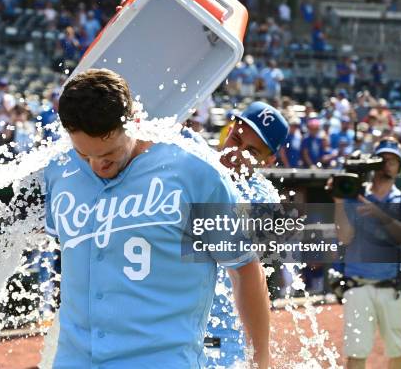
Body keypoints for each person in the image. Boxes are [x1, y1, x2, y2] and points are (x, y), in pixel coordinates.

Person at [43, 69, 270, 367]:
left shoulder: (193, 173)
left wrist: (261, 360)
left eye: (109, 153)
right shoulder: (59, 168)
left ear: (135, 120)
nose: (98, 165)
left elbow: (244, 269)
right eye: (85, 154)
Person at [207, 102, 288, 367]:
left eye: (251, 151)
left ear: (269, 161)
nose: (237, 152)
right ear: (229, 129)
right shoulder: (198, 165)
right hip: (177, 334)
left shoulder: (262, 198)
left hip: (226, 340)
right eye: (237, 139)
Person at [332, 138, 401, 369]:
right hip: (358, 287)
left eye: (393, 160)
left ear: (400, 167)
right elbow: (344, 237)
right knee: (356, 354)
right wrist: (340, 202)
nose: (387, 164)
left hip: (391, 287)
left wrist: (378, 214)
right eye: (383, 159)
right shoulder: (354, 197)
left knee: (399, 351)